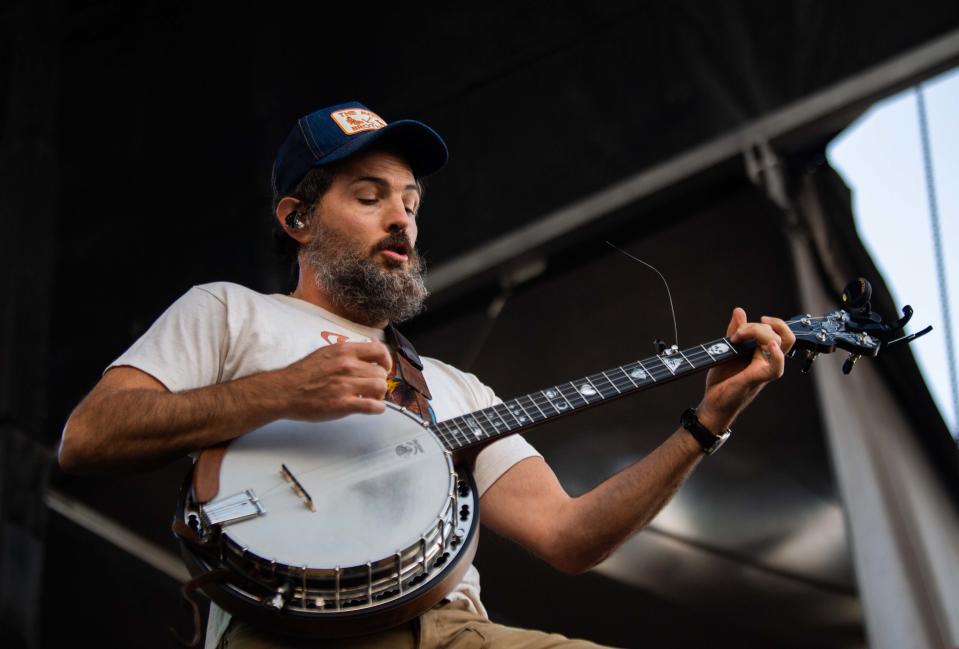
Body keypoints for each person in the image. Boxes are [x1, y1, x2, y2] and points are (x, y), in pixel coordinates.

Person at [57, 101, 796, 649]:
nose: (402, 221)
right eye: (369, 195)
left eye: (410, 202)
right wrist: (281, 392)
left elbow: (569, 536)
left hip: (451, 633)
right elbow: (87, 438)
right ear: (297, 219)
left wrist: (707, 423)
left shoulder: (454, 386)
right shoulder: (228, 312)